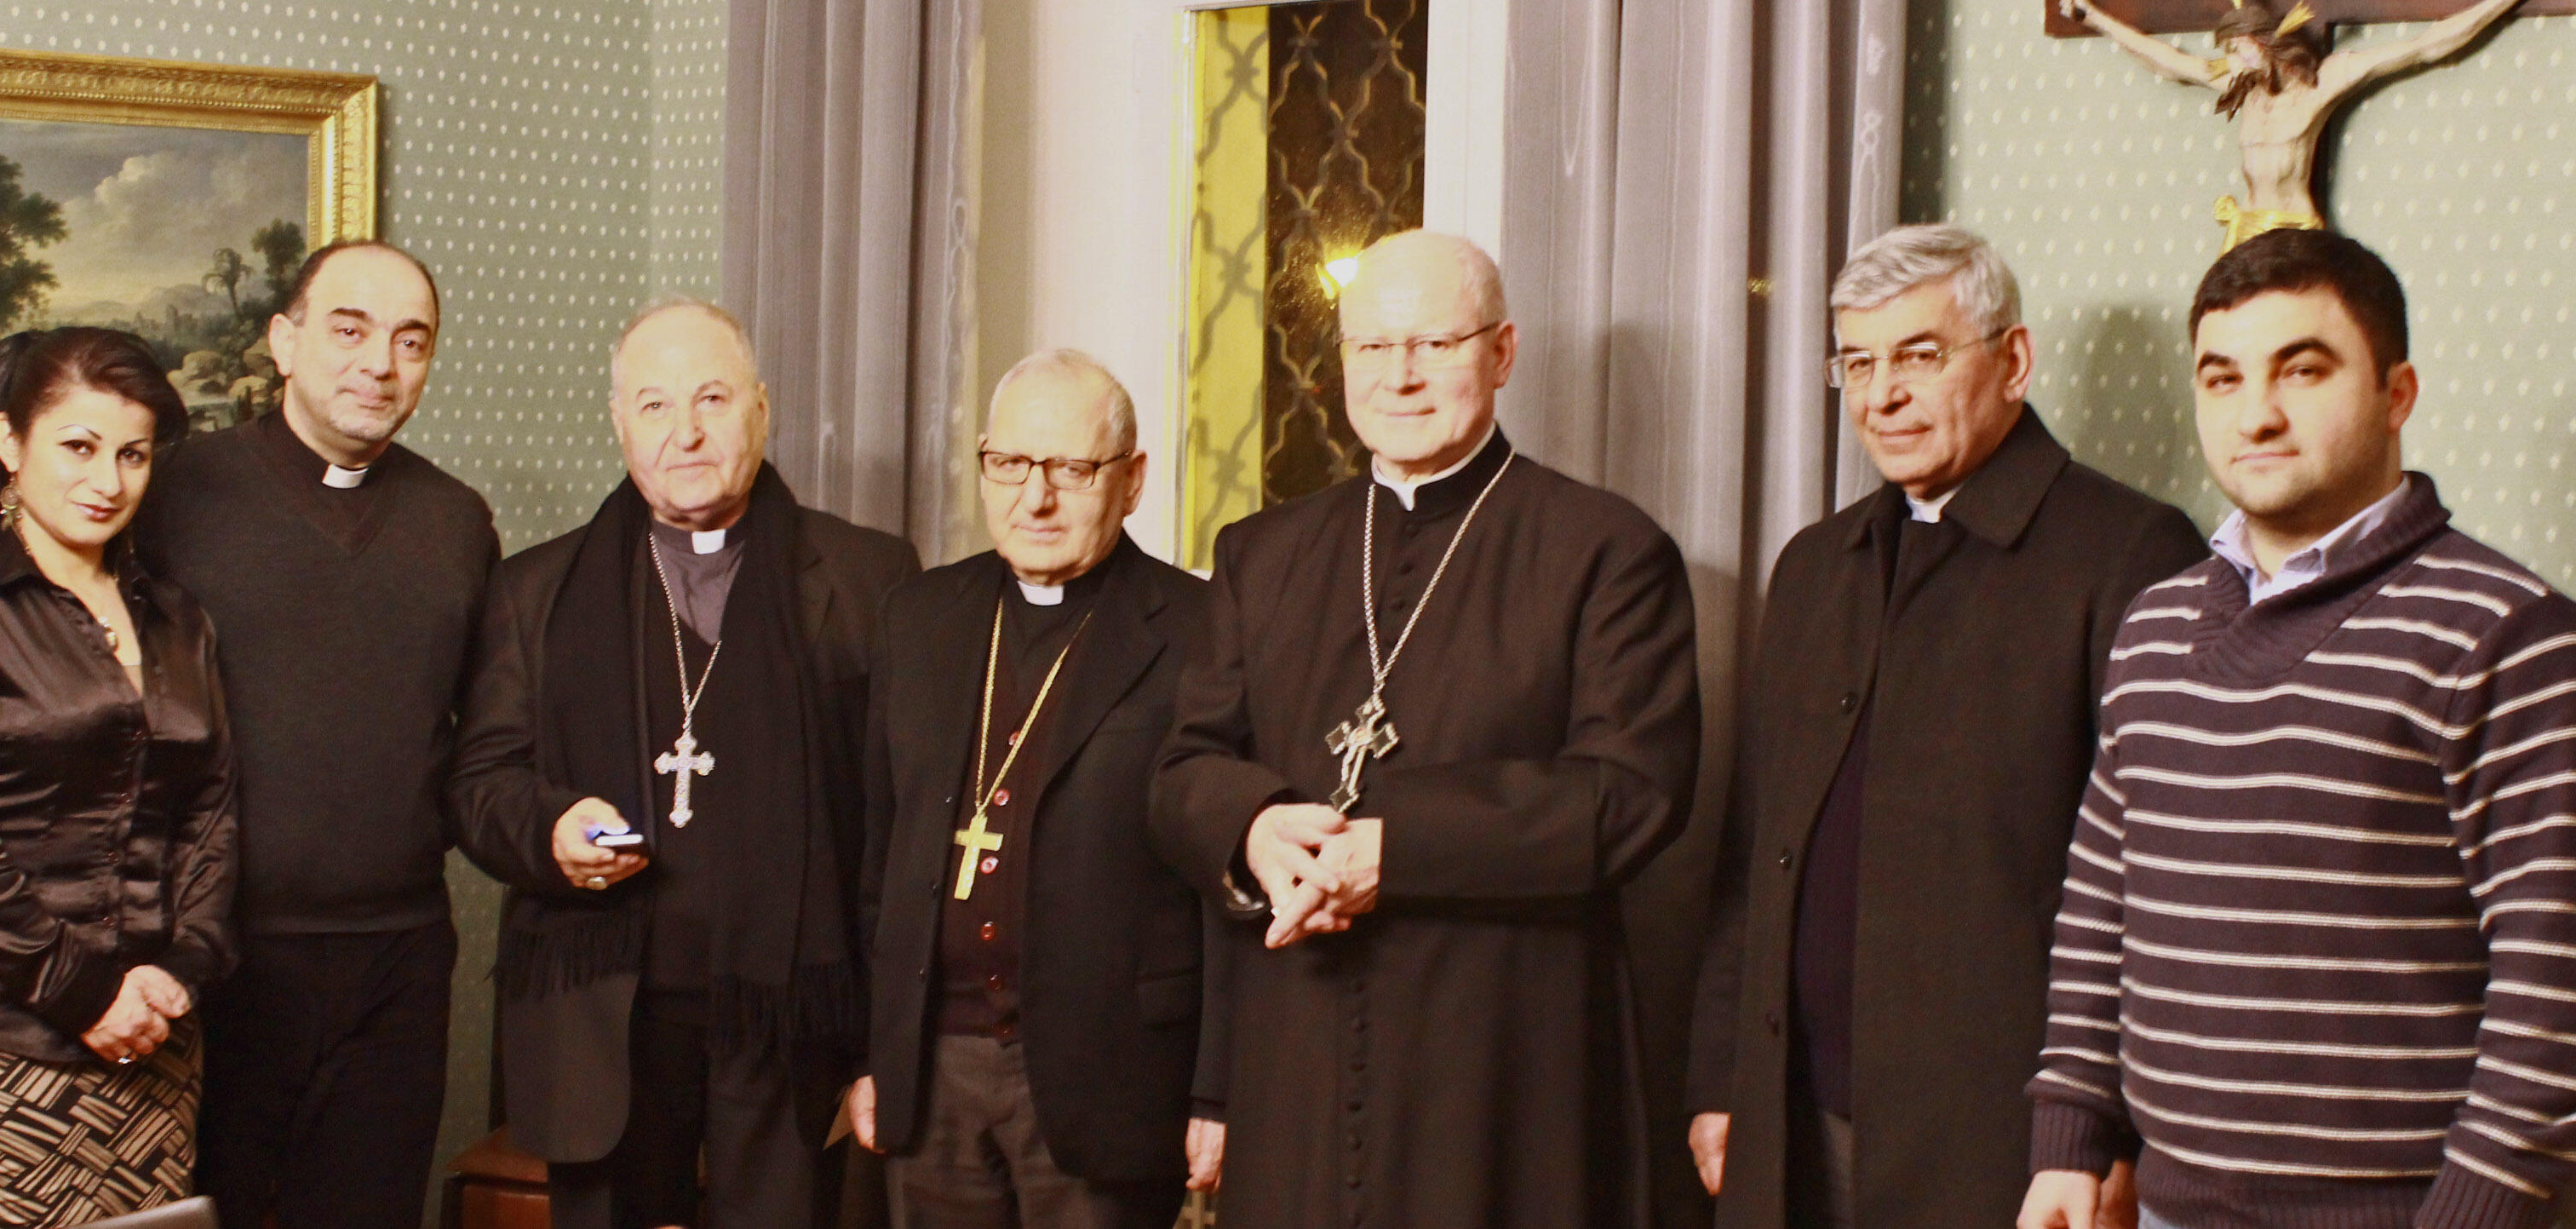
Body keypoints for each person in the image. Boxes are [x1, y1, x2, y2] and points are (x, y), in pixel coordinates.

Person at [2020, 230, 2576, 1229]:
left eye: (2302, 370)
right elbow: (2103, 897)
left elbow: (2556, 975)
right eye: (2223, 379)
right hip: (2164, 1210)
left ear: (2397, 393)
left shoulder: (2506, 630)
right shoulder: (2154, 624)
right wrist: (2072, 1131)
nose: (2258, 413)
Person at [1150, 229, 1699, 1229]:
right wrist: (1255, 827)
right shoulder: (1262, 553)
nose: (1399, 377)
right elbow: (1186, 766)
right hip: (1299, 1056)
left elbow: (1631, 794)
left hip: (1500, 1062)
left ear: (1503, 352)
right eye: (1371, 347)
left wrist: (1393, 850)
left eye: (1435, 346)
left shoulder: (1606, 551)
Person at [1684, 226, 2204, 1229]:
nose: (1882, 396)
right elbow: (1752, 857)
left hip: (2005, 1142)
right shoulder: (1814, 565)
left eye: (1921, 356)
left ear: (2013, 362)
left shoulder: (2131, 553)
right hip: (1790, 1119)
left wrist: (2109, 1135)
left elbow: (2160, 887)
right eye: (1859, 364)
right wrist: (1721, 1077)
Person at [448, 298, 918, 1229]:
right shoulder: (534, 591)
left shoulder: (870, 578)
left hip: (789, 1011)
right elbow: (478, 787)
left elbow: (899, 815)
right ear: (620, 422)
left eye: (712, 398)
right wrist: (547, 830)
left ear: (761, 408)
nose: (688, 432)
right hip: (605, 1015)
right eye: (656, 406)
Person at [137, 240, 501, 1229]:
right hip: (217, 957)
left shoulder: (457, 522)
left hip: (400, 960)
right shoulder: (174, 497)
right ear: (284, 341)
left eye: (409, 341)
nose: (378, 364)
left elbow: (482, 746)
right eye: (349, 331)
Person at [852, 350, 1225, 1228]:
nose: (1037, 497)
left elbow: (1222, 893)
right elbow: (878, 856)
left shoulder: (1200, 630)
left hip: (1113, 1072)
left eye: (1072, 469)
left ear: (1132, 481)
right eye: (1011, 465)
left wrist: (1218, 1091)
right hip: (932, 1068)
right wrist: (869, 1053)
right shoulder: (919, 618)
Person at [0, 328, 237, 1225]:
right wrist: (81, 993)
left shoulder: (179, 619)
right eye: (78, 446)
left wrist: (184, 966)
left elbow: (213, 811)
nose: (108, 481)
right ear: (8, 444)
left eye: (133, 454)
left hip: (154, 1046)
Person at [2057, 0, 2562, 250]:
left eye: (2238, 49)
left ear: (2262, 42)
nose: (2232, 61)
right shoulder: (2239, 87)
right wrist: (2096, 18)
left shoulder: (2322, 84)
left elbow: (2426, 46)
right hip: (2244, 240)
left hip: (2298, 239)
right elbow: (2163, 60)